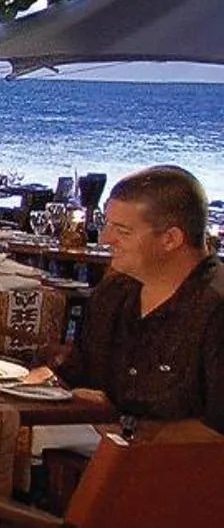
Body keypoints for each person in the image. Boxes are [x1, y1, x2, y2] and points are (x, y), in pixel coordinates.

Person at [45, 165, 224, 431]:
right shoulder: (114, 294)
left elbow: (216, 433)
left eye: (122, 231)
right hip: (96, 443)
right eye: (107, 225)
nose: (105, 238)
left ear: (171, 239)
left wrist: (128, 429)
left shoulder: (214, 310)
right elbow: (78, 375)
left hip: (181, 466)